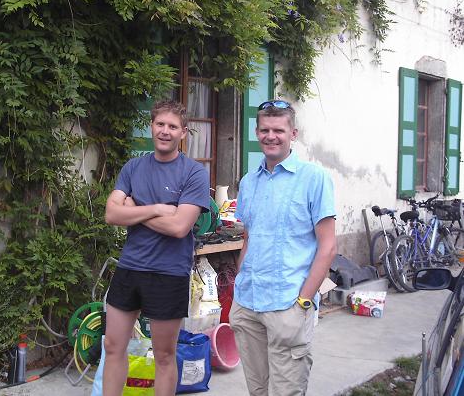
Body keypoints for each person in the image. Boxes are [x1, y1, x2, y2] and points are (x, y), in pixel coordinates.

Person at [229, 100, 336, 396]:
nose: (271, 136)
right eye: (265, 129)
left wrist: (304, 302)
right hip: (248, 304)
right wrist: (240, 285)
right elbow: (249, 238)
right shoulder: (249, 182)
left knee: (286, 392)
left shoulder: (314, 179)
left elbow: (327, 246)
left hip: (288, 303)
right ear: (257, 132)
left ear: (293, 134)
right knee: (258, 391)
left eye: (278, 129)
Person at [103, 99, 210, 396]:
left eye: (172, 126)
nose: (165, 131)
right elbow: (111, 214)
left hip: (168, 273)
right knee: (113, 346)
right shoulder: (134, 167)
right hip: (129, 268)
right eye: (160, 124)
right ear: (151, 126)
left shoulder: (194, 173)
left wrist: (135, 209)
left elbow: (179, 228)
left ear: (183, 132)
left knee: (164, 356)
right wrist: (157, 209)